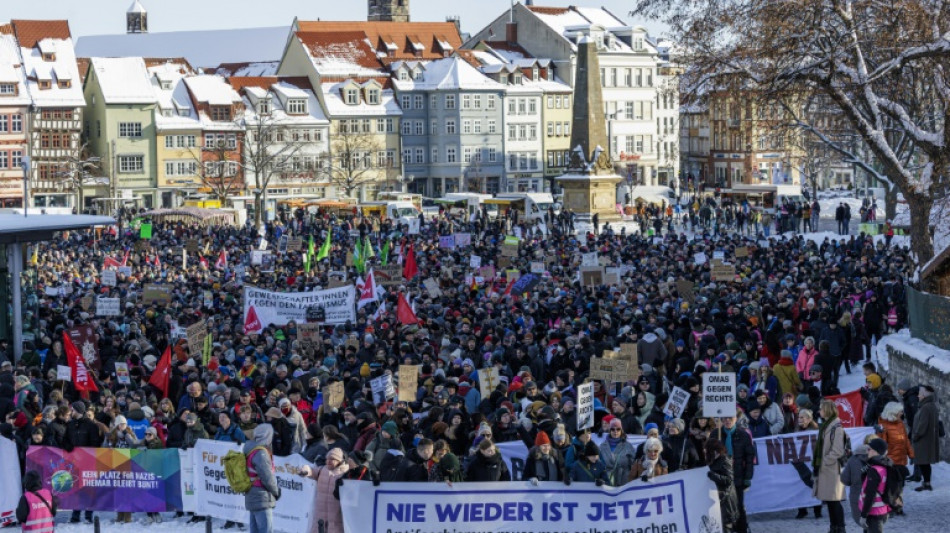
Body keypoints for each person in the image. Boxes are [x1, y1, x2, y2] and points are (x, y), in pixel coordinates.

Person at [812, 400, 847, 533]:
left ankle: (840, 528)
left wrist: (824, 461)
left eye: (821, 408)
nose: (819, 411)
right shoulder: (827, 426)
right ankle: (834, 527)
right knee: (830, 501)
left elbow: (838, 450)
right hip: (827, 469)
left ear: (827, 410)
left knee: (834, 500)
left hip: (831, 469)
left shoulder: (836, 428)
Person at [300, 447, 349, 533]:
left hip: (336, 519)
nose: (328, 461)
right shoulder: (322, 470)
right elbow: (312, 471)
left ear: (340, 461)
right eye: (327, 459)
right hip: (320, 517)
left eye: (332, 459)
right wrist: (305, 469)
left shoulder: (346, 473)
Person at [720, 414, 754, 533]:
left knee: (739, 505)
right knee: (724, 506)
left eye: (730, 418)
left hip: (738, 475)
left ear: (736, 419)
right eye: (725, 418)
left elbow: (750, 457)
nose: (728, 420)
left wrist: (748, 477)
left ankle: (742, 529)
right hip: (722, 476)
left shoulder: (743, 434)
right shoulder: (717, 434)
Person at [244, 424, 281, 533]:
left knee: (255, 529)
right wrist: (276, 491)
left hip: (251, 493)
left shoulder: (250, 448)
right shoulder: (261, 453)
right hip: (261, 496)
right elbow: (267, 477)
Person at [860, 438, 894, 533]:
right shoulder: (886, 464)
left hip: (873, 511)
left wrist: (864, 515)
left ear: (876, 452)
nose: (867, 451)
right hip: (881, 508)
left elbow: (870, 494)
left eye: (869, 449)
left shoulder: (874, 470)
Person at [704, 439, 738, 533]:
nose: (705, 452)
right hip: (719, 499)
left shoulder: (724, 460)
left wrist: (713, 475)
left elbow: (729, 480)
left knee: (726, 527)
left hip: (726, 500)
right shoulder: (714, 460)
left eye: (707, 450)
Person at [910, 384, 939, 491]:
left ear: (924, 395)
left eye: (920, 394)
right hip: (926, 440)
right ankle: (927, 483)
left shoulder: (926, 407)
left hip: (923, 440)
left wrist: (916, 436)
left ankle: (927, 483)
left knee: (923, 462)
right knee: (924, 463)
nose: (918, 396)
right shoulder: (929, 406)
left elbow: (923, 425)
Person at [841, 435, 873, 529]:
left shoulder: (852, 460)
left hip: (857, 495)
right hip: (874, 495)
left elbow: (845, 480)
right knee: (874, 521)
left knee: (861, 519)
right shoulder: (875, 460)